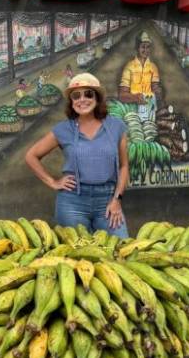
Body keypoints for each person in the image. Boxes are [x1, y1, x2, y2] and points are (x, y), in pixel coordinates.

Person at [25, 73, 129, 236]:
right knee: (77, 255)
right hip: (72, 203)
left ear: (97, 97)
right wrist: (52, 182)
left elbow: (123, 166)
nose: (82, 99)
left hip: (108, 200)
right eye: (76, 96)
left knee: (121, 248)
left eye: (88, 94)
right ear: (72, 102)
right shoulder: (63, 129)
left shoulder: (116, 126)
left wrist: (117, 199)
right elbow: (31, 156)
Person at [119, 31, 162, 122]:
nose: (146, 50)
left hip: (149, 109)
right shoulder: (129, 67)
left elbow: (155, 88)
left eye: (148, 47)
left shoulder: (153, 67)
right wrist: (135, 98)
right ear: (137, 48)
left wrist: (158, 92)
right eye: (143, 47)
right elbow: (122, 95)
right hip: (132, 110)